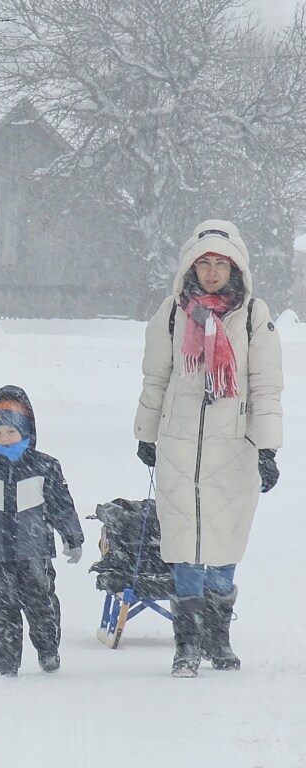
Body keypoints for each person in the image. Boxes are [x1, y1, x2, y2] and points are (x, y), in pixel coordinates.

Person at [134, 219, 283, 678]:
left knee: (223, 544)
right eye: (205, 263)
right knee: (184, 544)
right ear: (190, 268)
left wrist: (267, 449)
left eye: (222, 263)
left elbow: (266, 387)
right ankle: (187, 643)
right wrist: (146, 433)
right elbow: (156, 378)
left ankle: (218, 636)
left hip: (233, 448)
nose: (213, 272)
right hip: (178, 446)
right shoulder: (173, 313)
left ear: (235, 267)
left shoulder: (253, 316)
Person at [0, 385, 84, 676]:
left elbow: (61, 505)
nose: (4, 438)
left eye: (11, 431)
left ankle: (48, 650)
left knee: (41, 603)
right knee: (1, 606)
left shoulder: (45, 467)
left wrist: (72, 537)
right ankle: (3, 661)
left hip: (34, 550)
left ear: (26, 431)